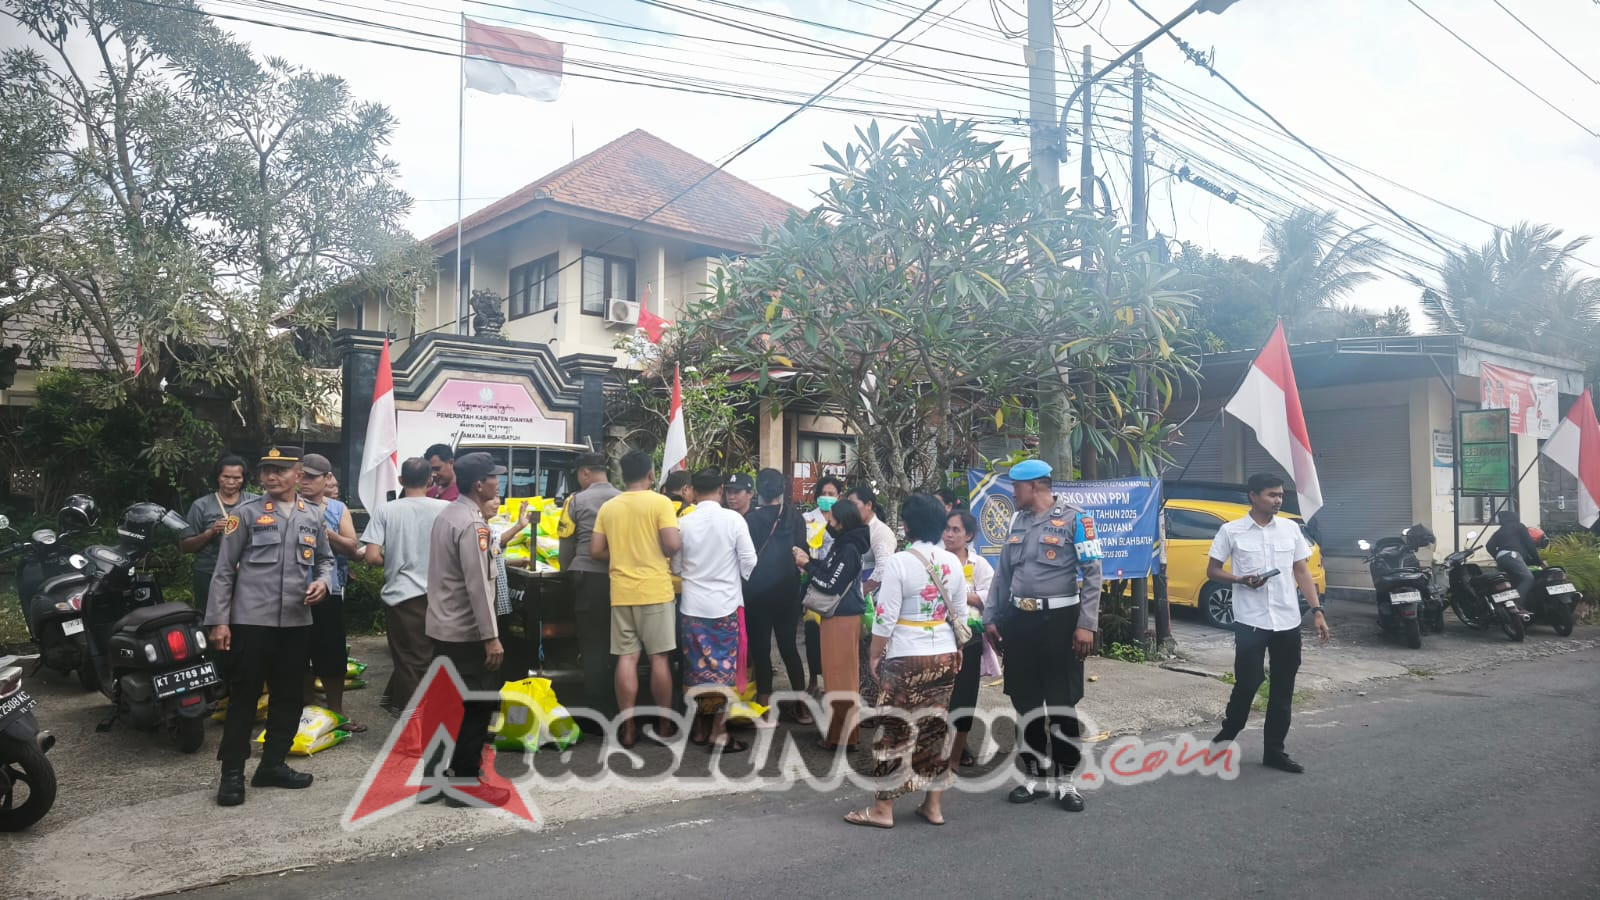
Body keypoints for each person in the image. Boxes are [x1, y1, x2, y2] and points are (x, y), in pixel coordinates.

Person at [206, 445, 334, 807]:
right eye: (265, 471)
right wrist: (219, 621)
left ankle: (272, 765)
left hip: (296, 623)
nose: (270, 477)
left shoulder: (312, 515)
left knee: (289, 697)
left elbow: (325, 560)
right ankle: (231, 775)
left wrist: (323, 583)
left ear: (298, 474)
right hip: (251, 622)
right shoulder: (244, 514)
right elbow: (223, 570)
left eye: (279, 471)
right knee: (244, 698)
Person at [984, 459, 1100, 812]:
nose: (1013, 494)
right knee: (1026, 702)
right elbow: (1002, 575)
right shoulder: (1018, 522)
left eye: (1016, 488)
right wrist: (992, 615)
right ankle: (1033, 777)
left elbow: (1093, 574)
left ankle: (1066, 781)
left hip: (1060, 622)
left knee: (1061, 703)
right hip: (1021, 621)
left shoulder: (1077, 519)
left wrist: (1086, 624)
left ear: (1034, 486)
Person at [845, 492, 967, 829]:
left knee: (894, 729)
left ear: (907, 525)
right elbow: (959, 613)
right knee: (934, 727)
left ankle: (883, 809)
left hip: (906, 656)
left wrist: (874, 654)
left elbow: (885, 618)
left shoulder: (900, 561)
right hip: (943, 652)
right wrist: (957, 648)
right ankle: (933, 806)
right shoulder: (953, 562)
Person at [1206, 472, 1330, 774]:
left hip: (1287, 621)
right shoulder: (1231, 531)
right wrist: (1239, 579)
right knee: (1248, 683)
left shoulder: (1290, 529)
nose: (1278, 500)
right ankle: (1225, 737)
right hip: (1250, 622)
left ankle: (1275, 751)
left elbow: (1301, 570)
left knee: (1283, 688)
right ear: (1253, 496)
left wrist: (1316, 610)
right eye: (1271, 495)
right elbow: (1212, 571)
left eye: (1280, 495)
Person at [422, 451, 510, 805]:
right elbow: (477, 585)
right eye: (494, 477)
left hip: (443, 626)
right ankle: (465, 784)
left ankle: (433, 778)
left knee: (444, 703)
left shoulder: (450, 513)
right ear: (479, 484)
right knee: (476, 706)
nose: (497, 482)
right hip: (465, 631)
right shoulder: (473, 524)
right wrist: (491, 637)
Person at [591, 450, 682, 746]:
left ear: (622, 476)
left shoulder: (610, 507)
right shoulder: (661, 502)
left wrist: (621, 556)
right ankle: (665, 725)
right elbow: (672, 545)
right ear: (651, 474)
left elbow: (596, 550)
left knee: (627, 659)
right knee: (658, 659)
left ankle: (628, 728)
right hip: (655, 590)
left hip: (621, 592)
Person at [357, 457, 448, 718]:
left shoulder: (387, 510)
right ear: (430, 480)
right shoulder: (445, 508)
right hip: (439, 595)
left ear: (400, 481)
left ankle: (412, 723)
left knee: (408, 661)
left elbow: (372, 556)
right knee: (430, 656)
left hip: (402, 596)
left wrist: (394, 559)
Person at [675, 468, 758, 752]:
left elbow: (675, 565)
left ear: (693, 491)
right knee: (721, 672)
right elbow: (749, 560)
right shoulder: (733, 519)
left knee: (697, 672)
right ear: (721, 490)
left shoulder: (684, 522)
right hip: (725, 605)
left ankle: (700, 727)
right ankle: (718, 732)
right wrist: (734, 578)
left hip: (693, 606)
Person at [797, 496, 869, 751]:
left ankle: (843, 737)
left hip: (842, 618)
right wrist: (810, 562)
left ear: (841, 521)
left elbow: (830, 584)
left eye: (832, 517)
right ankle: (839, 733)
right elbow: (828, 573)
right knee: (836, 677)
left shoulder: (848, 549)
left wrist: (807, 565)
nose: (828, 520)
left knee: (841, 678)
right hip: (838, 617)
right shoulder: (845, 544)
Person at [298, 453, 364, 733]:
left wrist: (326, 531)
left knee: (332, 652)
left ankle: (336, 712)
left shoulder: (337, 509)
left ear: (326, 480)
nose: (304, 482)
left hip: (329, 590)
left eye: (312, 477)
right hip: (292, 591)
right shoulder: (287, 506)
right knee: (297, 652)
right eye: (301, 476)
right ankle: (306, 709)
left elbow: (354, 548)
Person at [743, 468, 812, 727]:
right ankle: (801, 706)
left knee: (761, 649)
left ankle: (765, 707)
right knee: (789, 648)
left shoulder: (749, 520)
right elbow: (802, 554)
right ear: (782, 490)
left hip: (757, 594)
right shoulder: (796, 518)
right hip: (787, 592)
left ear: (758, 491)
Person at [558, 453, 621, 720]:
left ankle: (597, 712)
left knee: (593, 645)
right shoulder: (623, 499)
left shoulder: (576, 500)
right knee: (620, 645)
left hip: (587, 577)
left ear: (584, 473)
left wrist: (565, 573)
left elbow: (566, 543)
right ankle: (622, 705)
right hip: (621, 579)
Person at [180, 455, 258, 622]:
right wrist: (211, 531)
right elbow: (185, 546)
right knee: (209, 619)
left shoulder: (254, 503)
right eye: (226, 477)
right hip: (209, 573)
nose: (231, 482)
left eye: (236, 478)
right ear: (218, 477)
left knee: (245, 619)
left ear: (243, 479)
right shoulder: (201, 505)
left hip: (247, 574)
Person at [943, 510, 993, 769]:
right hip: (939, 637)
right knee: (940, 698)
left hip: (968, 638)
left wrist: (960, 594)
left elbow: (989, 596)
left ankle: (955, 756)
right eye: (947, 529)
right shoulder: (936, 560)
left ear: (969, 535)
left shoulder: (978, 564)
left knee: (964, 698)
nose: (949, 535)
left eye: (956, 530)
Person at [848, 484, 897, 714]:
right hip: (859, 597)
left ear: (868, 505)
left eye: (854, 504)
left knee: (874, 654)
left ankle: (879, 705)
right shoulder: (857, 528)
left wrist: (863, 590)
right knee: (860, 654)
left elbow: (884, 567)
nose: (850, 509)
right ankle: (865, 704)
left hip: (874, 601)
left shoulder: (881, 531)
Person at [801, 476, 845, 694]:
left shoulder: (842, 521)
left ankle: (831, 681)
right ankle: (812, 680)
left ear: (839, 497)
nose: (827, 498)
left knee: (833, 636)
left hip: (836, 581)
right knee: (812, 634)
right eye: (823, 494)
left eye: (831, 494)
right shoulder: (807, 518)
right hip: (812, 579)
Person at [1487, 508, 1542, 603]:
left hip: (1501, 558)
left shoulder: (1499, 531)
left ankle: (1507, 602)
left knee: (1512, 580)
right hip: (1512, 555)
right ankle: (1518, 605)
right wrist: (1537, 560)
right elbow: (1529, 544)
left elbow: (1489, 546)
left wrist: (1497, 556)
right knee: (1528, 578)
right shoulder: (1519, 526)